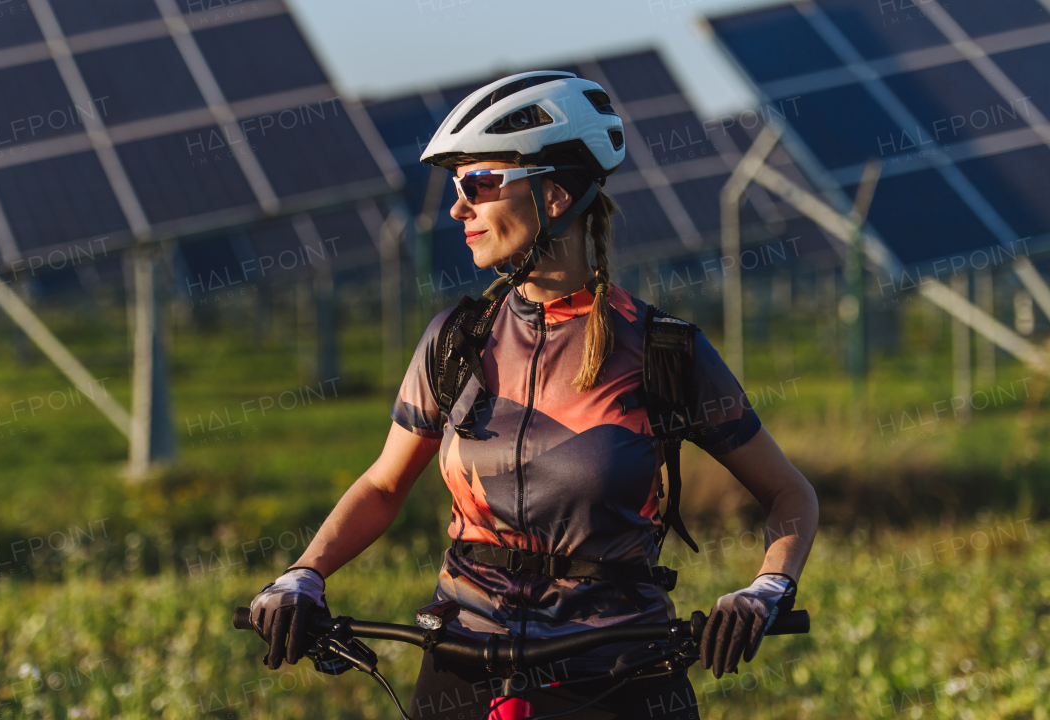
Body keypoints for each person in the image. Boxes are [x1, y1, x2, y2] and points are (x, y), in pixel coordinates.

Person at [247, 71, 819, 719]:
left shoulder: (663, 352)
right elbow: (383, 486)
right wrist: (304, 574)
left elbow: (789, 494)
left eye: (479, 184)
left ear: (553, 196)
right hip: (460, 668)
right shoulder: (454, 341)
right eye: (457, 187)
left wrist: (766, 589)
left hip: (618, 676)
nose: (458, 209)